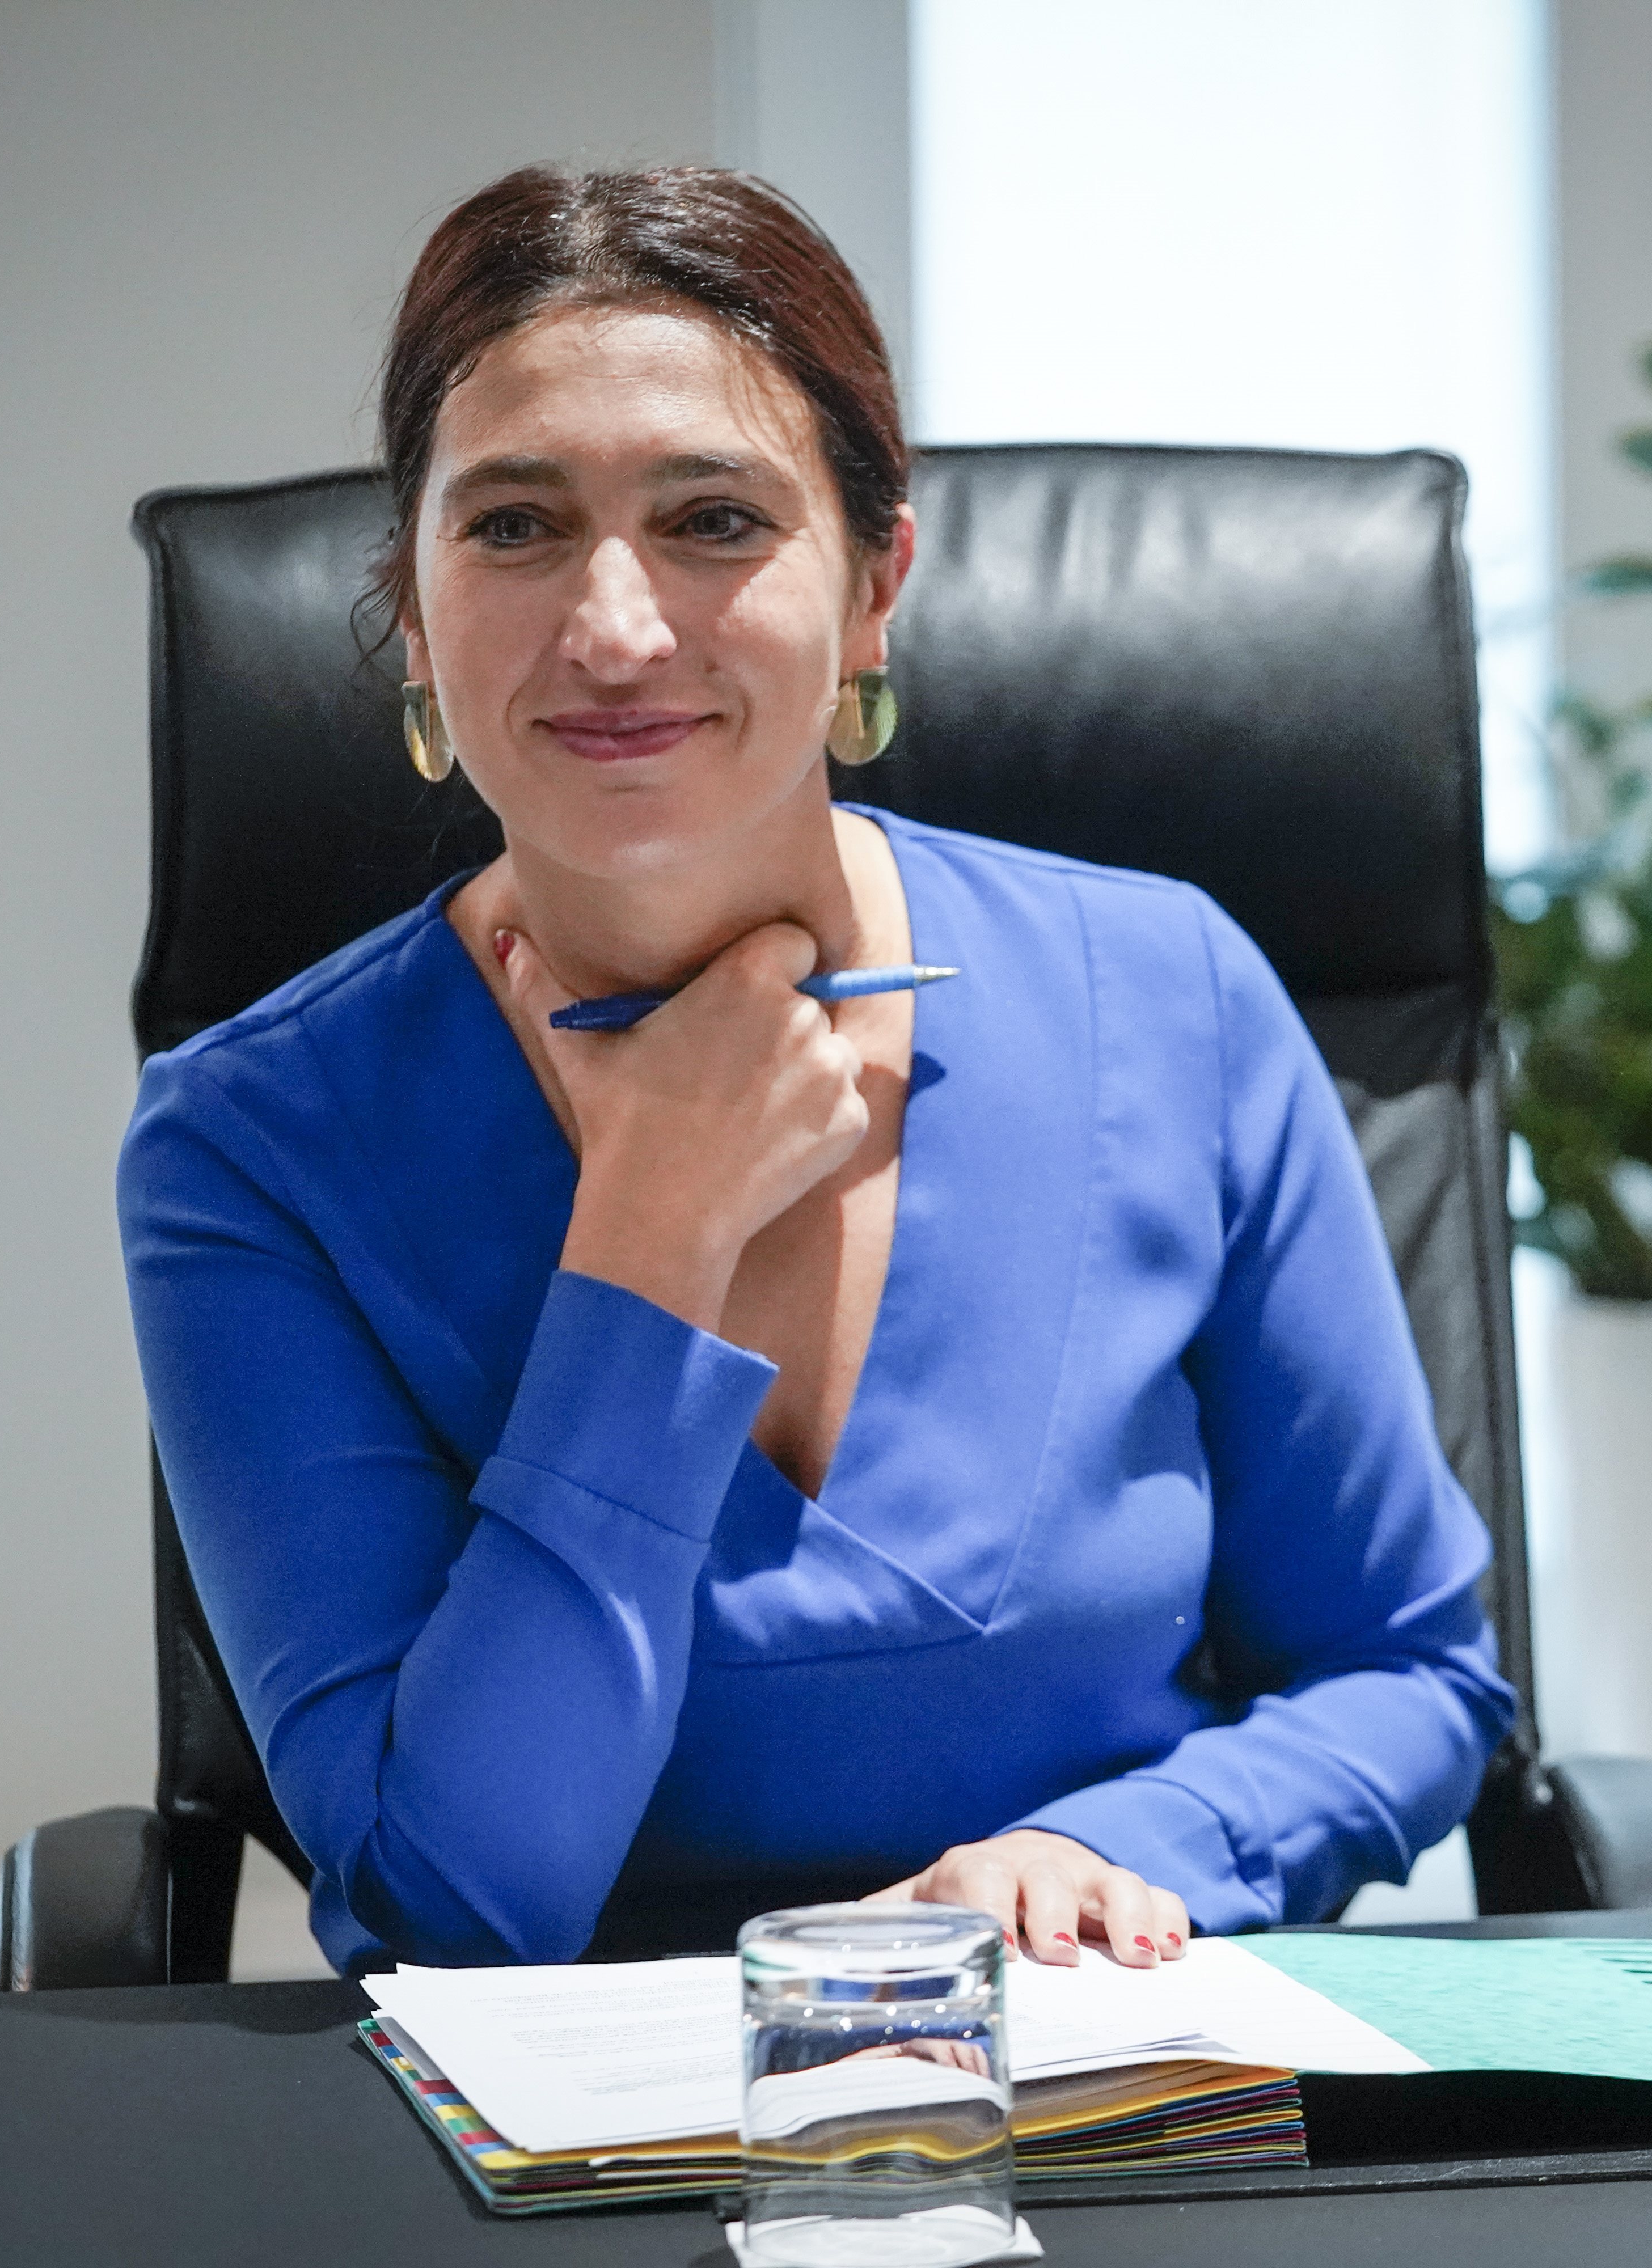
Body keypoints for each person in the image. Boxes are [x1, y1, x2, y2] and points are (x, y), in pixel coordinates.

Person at [117, 164, 1512, 1975]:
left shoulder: (1174, 998)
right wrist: (649, 1245)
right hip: (587, 2112)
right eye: (516, 526)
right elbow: (452, 1907)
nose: (615, 632)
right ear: (414, 604)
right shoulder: (248, 1149)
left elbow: (1409, 1669)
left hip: (1104, 2053)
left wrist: (1111, 1855)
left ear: (875, 588)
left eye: (714, 520)